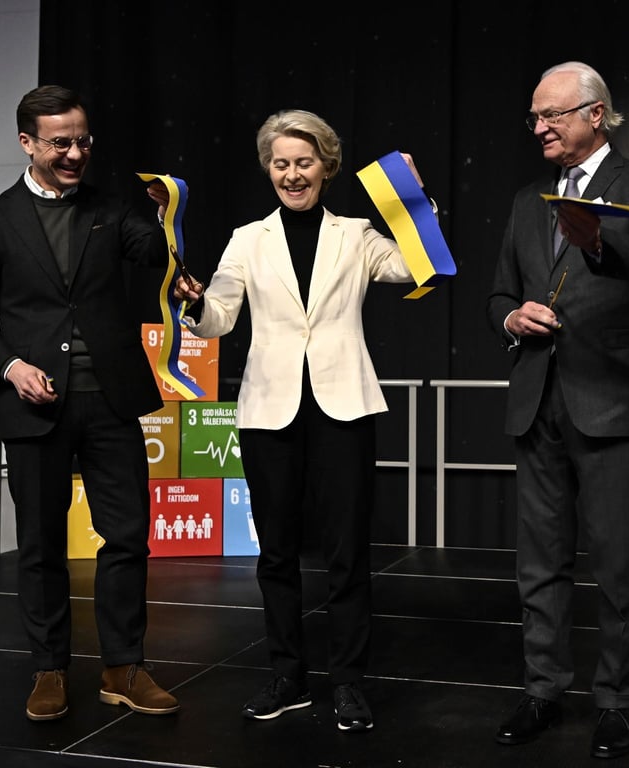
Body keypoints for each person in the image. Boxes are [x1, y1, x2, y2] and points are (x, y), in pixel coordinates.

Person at [176, 108, 436, 733]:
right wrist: (192, 303)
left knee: (348, 556)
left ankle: (348, 682)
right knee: (277, 555)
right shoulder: (247, 238)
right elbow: (221, 317)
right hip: (272, 411)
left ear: (326, 165)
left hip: (343, 406)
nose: (292, 174)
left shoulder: (357, 233)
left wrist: (415, 204)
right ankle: (286, 676)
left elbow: (417, 267)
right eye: (280, 163)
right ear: (269, 168)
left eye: (304, 161)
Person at [0, 85, 179, 722]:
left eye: (82, 139)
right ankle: (49, 669)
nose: (75, 152)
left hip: (111, 398)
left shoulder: (115, 206)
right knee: (42, 544)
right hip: (35, 407)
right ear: (27, 143)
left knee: (129, 537)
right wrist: (9, 365)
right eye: (60, 142)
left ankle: (123, 667)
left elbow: (152, 255)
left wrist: (166, 217)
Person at [485, 61, 629, 759]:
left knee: (616, 562)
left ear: (595, 114)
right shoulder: (525, 198)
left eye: (552, 115)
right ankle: (543, 689)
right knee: (538, 563)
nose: (539, 127)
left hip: (612, 403)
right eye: (534, 117)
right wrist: (512, 320)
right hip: (537, 403)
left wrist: (597, 237)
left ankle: (617, 702)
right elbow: (498, 295)